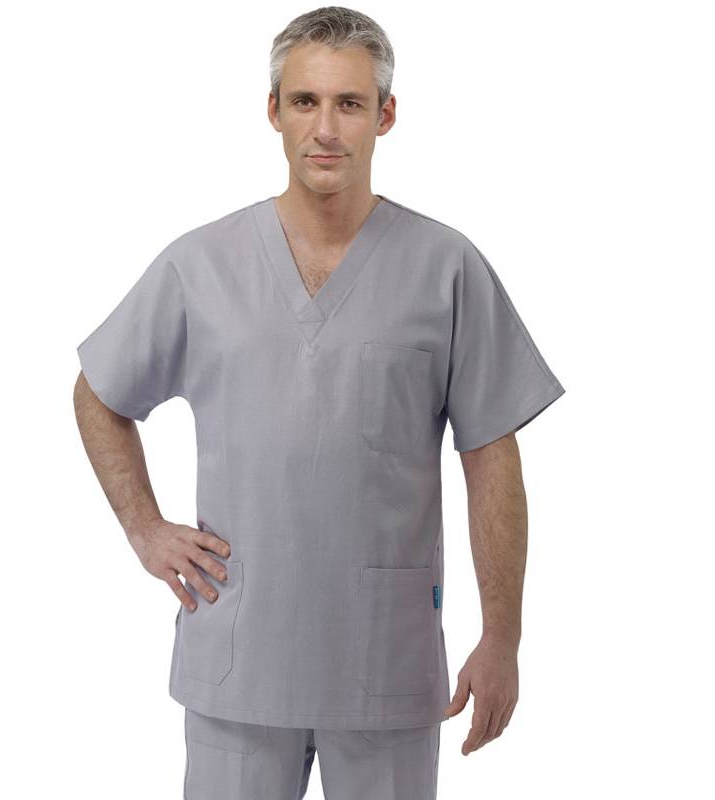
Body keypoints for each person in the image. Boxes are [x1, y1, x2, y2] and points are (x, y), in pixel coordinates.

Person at [74, 6, 565, 798]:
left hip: (386, 665)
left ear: (386, 115)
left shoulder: (445, 267)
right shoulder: (200, 266)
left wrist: (502, 637)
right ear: (273, 111)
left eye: (350, 103)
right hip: (240, 661)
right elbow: (99, 394)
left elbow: (491, 457)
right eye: (305, 101)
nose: (326, 128)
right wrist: (145, 528)